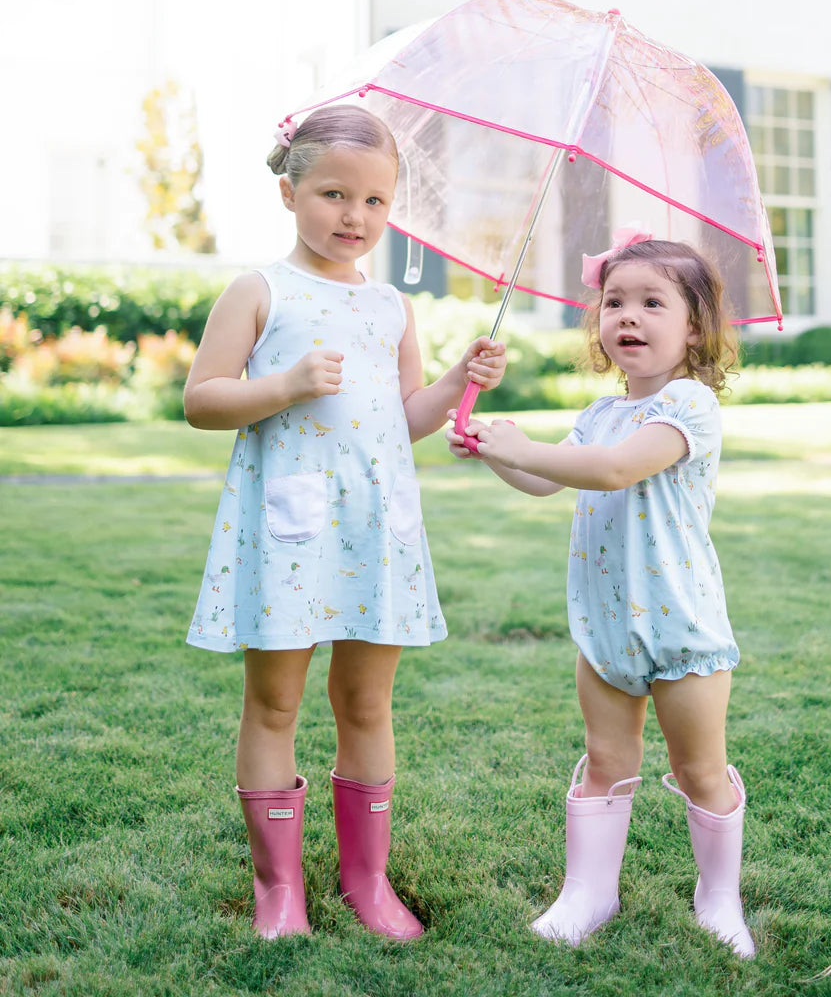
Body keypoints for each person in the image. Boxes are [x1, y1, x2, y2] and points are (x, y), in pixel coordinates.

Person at [184, 103, 506, 942]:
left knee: (367, 703)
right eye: (333, 194)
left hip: (374, 529)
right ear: (289, 192)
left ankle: (368, 881)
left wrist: (459, 380)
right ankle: (278, 890)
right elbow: (203, 400)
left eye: (373, 202)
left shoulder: (391, 308)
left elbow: (407, 414)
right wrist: (283, 386)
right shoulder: (261, 291)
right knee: (276, 704)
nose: (354, 217)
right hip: (289, 531)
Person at [447, 231, 754, 959]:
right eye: (615, 301)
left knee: (697, 768)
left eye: (653, 302)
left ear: (695, 327)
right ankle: (589, 892)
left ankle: (719, 897)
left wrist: (526, 446)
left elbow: (616, 471)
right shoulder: (598, 413)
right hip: (606, 626)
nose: (629, 316)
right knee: (605, 757)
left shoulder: (690, 404)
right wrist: (499, 452)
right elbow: (549, 478)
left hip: (683, 626)